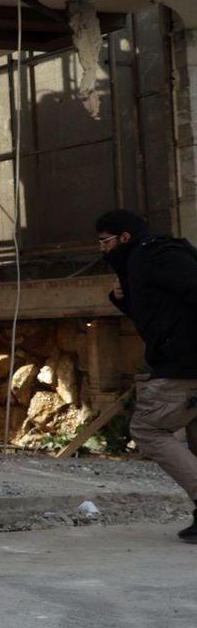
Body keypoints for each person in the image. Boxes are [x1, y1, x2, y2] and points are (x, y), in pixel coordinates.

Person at [96, 209, 197, 542]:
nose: (102, 249)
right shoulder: (140, 263)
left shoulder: (153, 254)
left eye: (105, 241)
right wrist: (122, 297)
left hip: (183, 364)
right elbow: (154, 318)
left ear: (124, 237)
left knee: (148, 427)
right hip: (182, 359)